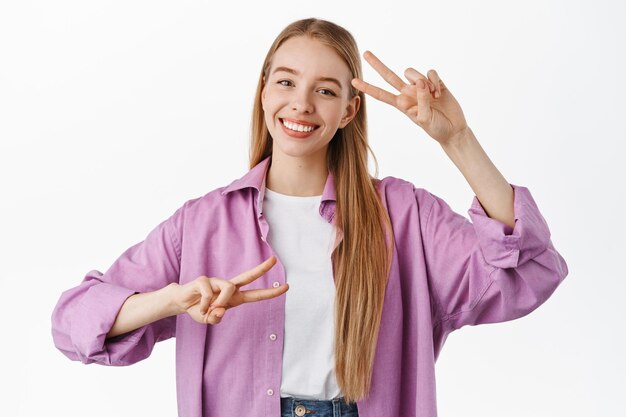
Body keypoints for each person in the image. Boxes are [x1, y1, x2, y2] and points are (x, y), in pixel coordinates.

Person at [51, 17, 569, 417]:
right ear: (263, 92)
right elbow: (74, 323)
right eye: (285, 82)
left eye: (325, 90)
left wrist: (457, 140)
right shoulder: (201, 223)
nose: (300, 105)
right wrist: (168, 299)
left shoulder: (403, 214)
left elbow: (528, 273)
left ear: (347, 111)